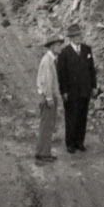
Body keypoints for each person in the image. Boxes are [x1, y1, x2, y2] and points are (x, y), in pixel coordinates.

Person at [56, 29, 99, 153]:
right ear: (71, 38)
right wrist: (64, 91)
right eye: (76, 36)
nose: (79, 37)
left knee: (82, 116)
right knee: (71, 117)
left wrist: (93, 86)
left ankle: (80, 142)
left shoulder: (87, 49)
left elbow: (91, 70)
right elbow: (61, 74)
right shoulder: (64, 53)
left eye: (79, 35)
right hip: (71, 92)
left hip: (85, 89)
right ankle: (70, 143)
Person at [33, 34, 63, 162]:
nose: (60, 48)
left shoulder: (51, 59)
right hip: (47, 98)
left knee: (48, 125)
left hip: (48, 97)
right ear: (52, 47)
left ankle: (44, 152)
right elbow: (45, 81)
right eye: (58, 45)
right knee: (47, 126)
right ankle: (43, 154)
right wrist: (49, 98)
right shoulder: (47, 61)